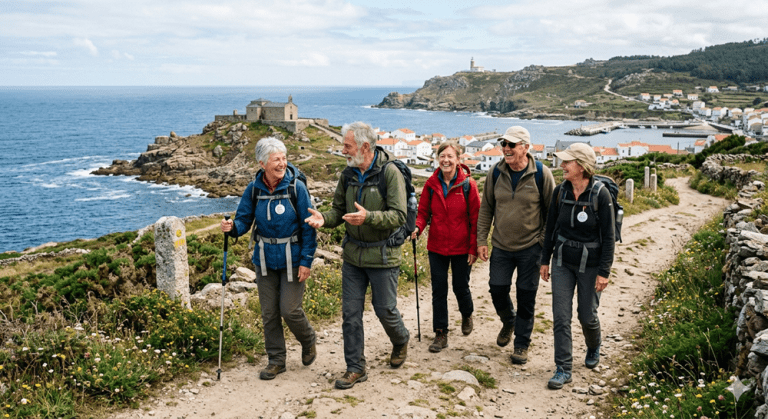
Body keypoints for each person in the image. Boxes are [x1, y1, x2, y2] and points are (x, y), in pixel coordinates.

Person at [305, 121, 410, 390]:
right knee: (350, 314)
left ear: (365, 147)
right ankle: (355, 368)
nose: (343, 151)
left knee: (384, 309)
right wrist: (323, 219)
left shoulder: (389, 173)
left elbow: (399, 215)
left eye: (347, 146)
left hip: (383, 256)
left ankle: (400, 339)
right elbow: (338, 211)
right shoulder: (348, 174)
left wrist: (369, 217)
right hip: (353, 257)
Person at [220, 137, 317, 381]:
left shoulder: (297, 188)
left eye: (284, 158)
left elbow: (309, 227)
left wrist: (306, 261)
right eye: (276, 159)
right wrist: (232, 227)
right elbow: (243, 220)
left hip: (293, 258)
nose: (282, 163)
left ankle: (308, 339)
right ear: (262, 163)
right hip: (264, 259)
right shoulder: (254, 189)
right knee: (269, 313)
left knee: (290, 309)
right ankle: (276, 360)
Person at [476, 126, 555, 365]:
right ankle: (508, 320)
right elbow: (486, 207)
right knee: (497, 288)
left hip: (531, 247)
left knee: (526, 296)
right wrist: (482, 239)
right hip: (501, 245)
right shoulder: (495, 172)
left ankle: (521, 344)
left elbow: (552, 214)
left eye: (512, 145)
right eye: (504, 144)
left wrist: (542, 244)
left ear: (525, 148)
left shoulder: (542, 174)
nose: (506, 149)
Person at [539, 142, 615, 390]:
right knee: (561, 317)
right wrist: (544, 260)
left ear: (581, 167)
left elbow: (609, 238)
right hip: (562, 261)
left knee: (586, 316)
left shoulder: (600, 195)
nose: (562, 166)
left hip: (591, 265)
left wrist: (604, 272)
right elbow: (550, 228)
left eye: (567, 162)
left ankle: (594, 345)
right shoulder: (560, 191)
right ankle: (563, 368)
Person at [411, 141, 480, 353]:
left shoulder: (469, 185)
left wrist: (473, 248)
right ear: (438, 159)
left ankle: (467, 313)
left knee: (461, 286)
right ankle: (440, 332)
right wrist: (417, 227)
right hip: (437, 246)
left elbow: (476, 219)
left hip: (461, 247)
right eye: (442, 156)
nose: (446, 160)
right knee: (438, 290)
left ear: (458, 159)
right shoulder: (431, 184)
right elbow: (423, 213)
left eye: (450, 156)